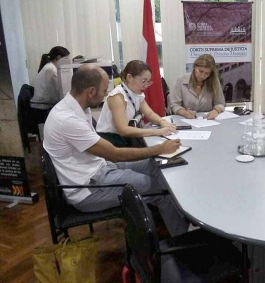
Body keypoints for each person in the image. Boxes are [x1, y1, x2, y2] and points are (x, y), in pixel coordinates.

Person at [43, 64, 188, 237]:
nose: (106, 95)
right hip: (88, 189)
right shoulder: (67, 119)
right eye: (104, 90)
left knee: (155, 167)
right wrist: (160, 148)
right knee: (162, 190)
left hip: (100, 169)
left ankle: (178, 221)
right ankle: (181, 238)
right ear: (91, 91)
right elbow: (115, 154)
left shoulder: (78, 107)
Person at [96, 60, 176, 147]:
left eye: (148, 82)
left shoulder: (137, 93)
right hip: (111, 141)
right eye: (143, 81)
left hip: (125, 138)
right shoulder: (117, 97)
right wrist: (157, 132)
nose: (146, 85)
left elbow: (149, 114)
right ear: (129, 78)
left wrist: (162, 122)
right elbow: (123, 130)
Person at [170, 54, 225, 120]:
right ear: (195, 67)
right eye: (200, 71)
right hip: (186, 120)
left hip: (207, 120)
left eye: (207, 73)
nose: (202, 76)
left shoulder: (214, 81)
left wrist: (216, 111)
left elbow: (220, 103)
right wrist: (184, 113)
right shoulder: (181, 80)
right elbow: (175, 105)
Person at [31, 46, 70, 122]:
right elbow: (57, 95)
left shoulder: (49, 67)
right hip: (42, 110)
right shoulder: (51, 69)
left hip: (41, 107)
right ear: (58, 58)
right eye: (65, 60)